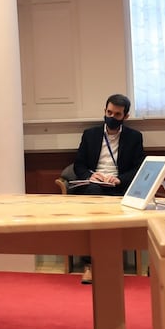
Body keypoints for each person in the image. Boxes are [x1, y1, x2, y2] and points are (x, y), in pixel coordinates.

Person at [69, 93, 146, 284]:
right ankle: (91, 265)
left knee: (100, 201)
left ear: (125, 117)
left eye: (117, 114)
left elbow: (138, 168)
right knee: (94, 193)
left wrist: (119, 179)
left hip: (117, 186)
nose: (111, 117)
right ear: (104, 111)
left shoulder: (134, 137)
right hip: (92, 185)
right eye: (109, 112)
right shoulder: (90, 134)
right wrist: (90, 175)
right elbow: (78, 164)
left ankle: (106, 262)